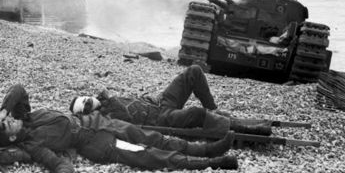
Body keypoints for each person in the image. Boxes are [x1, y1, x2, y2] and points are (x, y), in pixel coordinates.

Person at [0, 84, 238, 173]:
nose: (10, 120)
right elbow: (58, 162)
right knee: (147, 154)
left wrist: (2, 111)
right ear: (12, 138)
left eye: (7, 119)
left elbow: (18, 89)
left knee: (154, 137)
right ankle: (211, 162)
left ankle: (209, 148)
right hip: (97, 144)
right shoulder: (33, 144)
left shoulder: (24, 115)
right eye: (6, 125)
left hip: (100, 121)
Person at [70, 65, 271, 137]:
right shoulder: (104, 116)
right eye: (86, 106)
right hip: (162, 118)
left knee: (194, 71)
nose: (90, 103)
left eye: (87, 99)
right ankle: (244, 129)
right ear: (87, 113)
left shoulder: (104, 102)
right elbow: (123, 115)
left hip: (161, 101)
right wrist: (105, 99)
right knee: (196, 114)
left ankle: (215, 111)